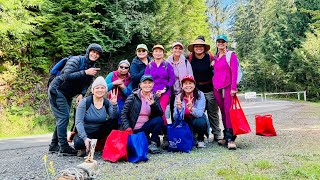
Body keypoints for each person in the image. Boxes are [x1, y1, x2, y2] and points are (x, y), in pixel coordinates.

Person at [48, 43, 103, 156]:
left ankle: (54, 145)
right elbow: (66, 75)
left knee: (62, 118)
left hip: (67, 94)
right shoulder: (76, 60)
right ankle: (64, 147)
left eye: (97, 53)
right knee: (63, 117)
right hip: (57, 89)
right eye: (93, 51)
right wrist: (85, 72)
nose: (95, 54)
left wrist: (81, 94)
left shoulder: (91, 66)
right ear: (88, 51)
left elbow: (87, 82)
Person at [74, 76, 119, 157]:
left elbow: (114, 116)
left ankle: (101, 144)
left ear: (105, 90)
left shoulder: (107, 102)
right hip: (85, 131)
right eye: (97, 88)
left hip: (99, 131)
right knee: (78, 143)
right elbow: (78, 122)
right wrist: (84, 138)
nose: (100, 90)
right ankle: (85, 146)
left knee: (114, 122)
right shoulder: (85, 102)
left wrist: (114, 104)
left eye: (102, 88)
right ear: (93, 90)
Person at [187, 38, 222, 141]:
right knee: (195, 112)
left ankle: (216, 134)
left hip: (209, 88)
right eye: (196, 46)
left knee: (213, 112)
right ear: (193, 48)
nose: (198, 48)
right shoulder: (189, 58)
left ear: (204, 48)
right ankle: (198, 134)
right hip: (195, 90)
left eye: (201, 46)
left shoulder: (210, 58)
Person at [121, 75, 163, 154]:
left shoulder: (154, 97)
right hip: (133, 129)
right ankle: (144, 140)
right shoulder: (133, 97)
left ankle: (153, 144)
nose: (147, 85)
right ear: (140, 85)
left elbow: (160, 114)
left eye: (149, 83)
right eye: (145, 83)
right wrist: (127, 127)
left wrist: (153, 105)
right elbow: (123, 114)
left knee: (159, 120)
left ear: (153, 84)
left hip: (145, 127)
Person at [213, 34, 239, 150]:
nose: (220, 43)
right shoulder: (216, 57)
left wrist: (233, 88)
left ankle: (231, 138)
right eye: (218, 41)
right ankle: (225, 135)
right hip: (217, 87)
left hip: (228, 87)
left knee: (229, 112)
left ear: (226, 43)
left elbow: (235, 72)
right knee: (223, 112)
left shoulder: (231, 55)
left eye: (223, 41)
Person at [173, 75, 208, 148]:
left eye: (190, 83)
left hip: (196, 119)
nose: (188, 85)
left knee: (201, 121)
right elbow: (175, 118)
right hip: (185, 121)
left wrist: (191, 109)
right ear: (182, 86)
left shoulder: (200, 95)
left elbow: (199, 114)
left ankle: (200, 139)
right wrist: (179, 109)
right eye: (185, 84)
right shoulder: (179, 97)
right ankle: (192, 136)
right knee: (189, 142)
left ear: (194, 85)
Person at [167, 42, 193, 118]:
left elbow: (191, 76)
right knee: (173, 112)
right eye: (176, 48)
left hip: (184, 91)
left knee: (184, 111)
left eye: (180, 48)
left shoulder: (186, 62)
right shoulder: (167, 63)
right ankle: (175, 128)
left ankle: (186, 128)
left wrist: (190, 90)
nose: (177, 50)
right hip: (172, 91)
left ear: (182, 50)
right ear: (172, 49)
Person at [105, 59, 132, 126]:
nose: (123, 69)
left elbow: (130, 94)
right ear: (118, 67)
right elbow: (104, 88)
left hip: (124, 100)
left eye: (126, 67)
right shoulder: (112, 75)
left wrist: (123, 87)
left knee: (122, 111)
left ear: (128, 69)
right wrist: (114, 83)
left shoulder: (130, 78)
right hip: (111, 99)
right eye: (121, 67)